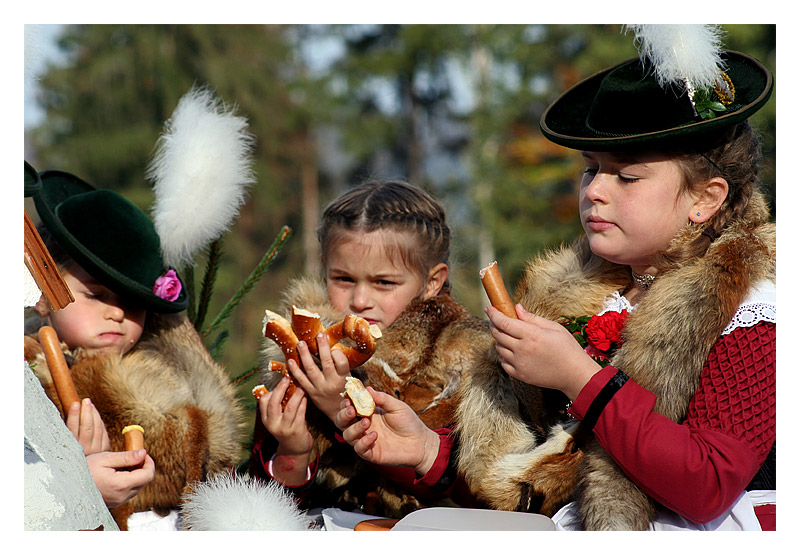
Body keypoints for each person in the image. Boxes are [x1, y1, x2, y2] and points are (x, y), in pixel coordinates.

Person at [454, 25, 776, 530]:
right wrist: (423, 454)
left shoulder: (754, 310)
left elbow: (708, 484)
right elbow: (536, 475)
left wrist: (579, 377)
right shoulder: (574, 297)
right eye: (590, 169)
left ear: (705, 199)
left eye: (626, 176)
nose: (595, 191)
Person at [250, 180, 491, 517]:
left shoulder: (473, 365)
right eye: (344, 279)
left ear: (432, 281)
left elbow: (488, 494)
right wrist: (293, 450)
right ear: (324, 268)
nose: (360, 301)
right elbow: (257, 512)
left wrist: (344, 409)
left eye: (384, 283)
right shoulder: (298, 361)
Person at [25, 169, 245, 530]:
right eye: (96, 295)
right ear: (44, 289)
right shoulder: (23, 379)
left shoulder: (170, 386)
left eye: (133, 303)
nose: (116, 313)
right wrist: (75, 480)